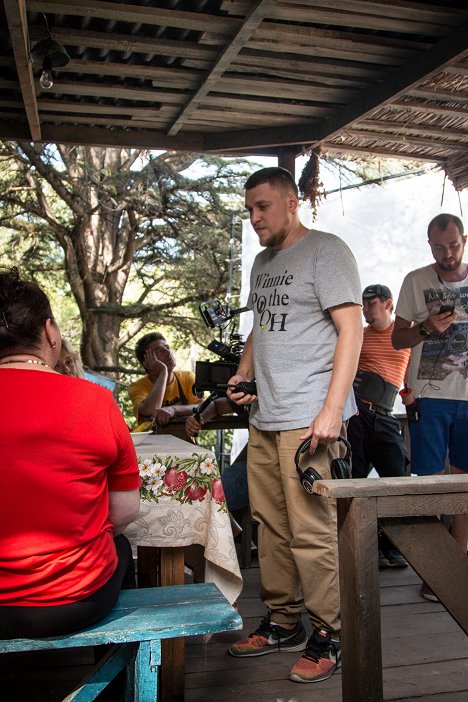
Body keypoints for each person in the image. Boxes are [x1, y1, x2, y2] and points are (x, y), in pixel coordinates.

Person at [225, 167, 363, 684]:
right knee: (270, 527)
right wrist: (243, 372)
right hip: (266, 415)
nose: (255, 218)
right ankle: (283, 620)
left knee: (312, 530)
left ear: (291, 200)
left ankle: (330, 632)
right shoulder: (263, 262)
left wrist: (331, 409)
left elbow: (351, 331)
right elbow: (262, 325)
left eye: (263, 207)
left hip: (310, 419)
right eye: (249, 210)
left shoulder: (328, 251)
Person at [0, 267, 141, 639]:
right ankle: (113, 684)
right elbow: (124, 511)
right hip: (70, 603)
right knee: (122, 546)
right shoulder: (95, 401)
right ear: (50, 332)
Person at [392, 213, 468, 601]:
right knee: (427, 479)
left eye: (453, 245)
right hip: (429, 394)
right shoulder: (415, 280)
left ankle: (456, 560)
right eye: (439, 247)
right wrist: (426, 328)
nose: (447, 253)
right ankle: (432, 565)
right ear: (429, 245)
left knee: (465, 479)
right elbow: (395, 339)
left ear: (465, 240)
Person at [347, 284, 411, 568]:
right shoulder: (359, 336)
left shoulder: (404, 336)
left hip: (386, 415)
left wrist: (413, 398)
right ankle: (361, 549)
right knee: (355, 478)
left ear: (388, 304)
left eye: (371, 304)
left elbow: (412, 375)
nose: (365, 310)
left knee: (396, 478)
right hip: (358, 414)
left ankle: (391, 545)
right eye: (363, 305)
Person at [128, 332, 202, 431]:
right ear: (146, 363)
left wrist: (173, 410)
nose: (168, 352)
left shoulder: (187, 377)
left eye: (168, 347)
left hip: (184, 442)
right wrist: (163, 372)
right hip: (151, 443)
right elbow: (150, 410)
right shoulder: (137, 386)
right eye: (159, 350)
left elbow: (202, 406)